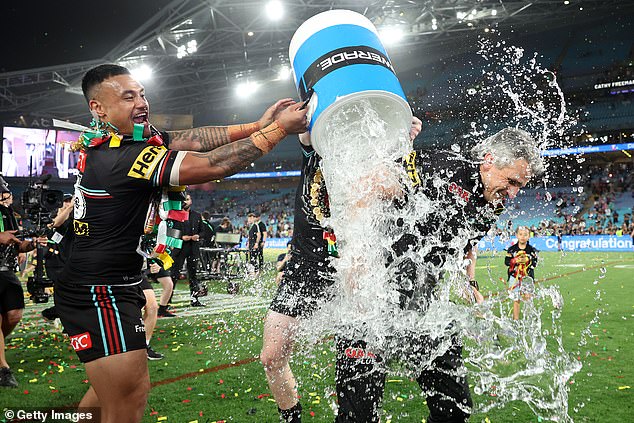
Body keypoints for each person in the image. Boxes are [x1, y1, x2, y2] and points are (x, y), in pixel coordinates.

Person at [55, 64, 308, 423]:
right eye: (128, 97)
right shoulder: (122, 158)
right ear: (98, 108)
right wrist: (279, 130)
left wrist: (256, 126)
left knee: (107, 395)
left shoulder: (127, 140)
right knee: (128, 400)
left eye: (141, 93)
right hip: (99, 291)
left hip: (112, 282)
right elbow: (211, 164)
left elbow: (188, 139)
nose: (141, 102)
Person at [335, 127, 544, 422]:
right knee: (358, 417)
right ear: (488, 160)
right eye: (511, 181)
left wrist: (469, 282)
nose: (513, 193)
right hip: (371, 300)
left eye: (520, 186)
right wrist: (356, 260)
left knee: (455, 409)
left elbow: (465, 245)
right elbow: (367, 184)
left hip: (423, 307)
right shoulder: (442, 167)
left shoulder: (492, 203)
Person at [260, 117, 422, 423]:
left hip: (355, 267)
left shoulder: (375, 160)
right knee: (272, 356)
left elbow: (401, 192)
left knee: (360, 358)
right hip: (306, 265)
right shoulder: (315, 151)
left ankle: (357, 412)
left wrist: (403, 142)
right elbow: (308, 129)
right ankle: (291, 418)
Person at [0, 176, 46, 387]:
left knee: (14, 315)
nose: (6, 197)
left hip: (6, 271)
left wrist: (32, 244)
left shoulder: (8, 213)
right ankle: (3, 370)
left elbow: (18, 244)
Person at [169, 193, 206, 307]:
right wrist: (181, 237)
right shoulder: (174, 215)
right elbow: (170, 231)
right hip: (179, 248)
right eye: (184, 199)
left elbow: (203, 231)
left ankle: (194, 300)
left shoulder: (196, 215)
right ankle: (167, 300)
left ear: (191, 201)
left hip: (193, 248)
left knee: (193, 275)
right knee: (174, 274)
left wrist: (198, 236)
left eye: (188, 199)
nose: (185, 201)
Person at [505, 226, 539, 321]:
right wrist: (515, 260)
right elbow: (506, 262)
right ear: (516, 235)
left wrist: (528, 260)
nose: (523, 236)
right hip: (514, 276)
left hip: (527, 277)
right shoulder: (511, 249)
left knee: (528, 297)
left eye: (525, 235)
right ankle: (516, 319)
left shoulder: (532, 250)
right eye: (520, 234)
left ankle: (529, 319)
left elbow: (535, 263)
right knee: (516, 299)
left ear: (529, 236)